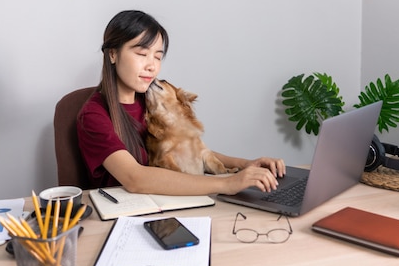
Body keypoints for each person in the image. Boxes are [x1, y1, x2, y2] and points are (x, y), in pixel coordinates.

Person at [77, 10, 285, 195]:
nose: (152, 66)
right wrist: (226, 184)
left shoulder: (153, 98)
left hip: (165, 203)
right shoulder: (93, 116)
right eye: (141, 54)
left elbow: (186, 150)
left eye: (158, 57)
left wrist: (246, 165)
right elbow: (135, 178)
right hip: (124, 214)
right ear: (113, 54)